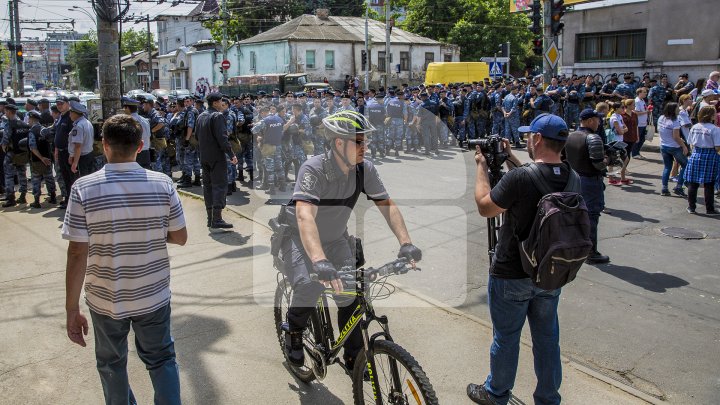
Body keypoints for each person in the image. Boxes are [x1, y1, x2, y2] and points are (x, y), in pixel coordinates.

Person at [280, 110, 421, 372]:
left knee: (350, 294)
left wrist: (406, 243)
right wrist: (319, 260)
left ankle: (354, 359)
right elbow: (304, 216)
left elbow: (386, 204)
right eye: (359, 141)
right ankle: (294, 332)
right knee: (308, 286)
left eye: (365, 141)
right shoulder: (314, 169)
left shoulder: (363, 169)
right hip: (300, 240)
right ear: (338, 143)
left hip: (335, 238)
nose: (365, 146)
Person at [62, 114, 187, 405]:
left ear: (103, 145)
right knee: (161, 360)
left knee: (111, 363)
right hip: (152, 295)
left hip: (105, 298)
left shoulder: (83, 188)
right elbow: (180, 237)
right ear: (141, 145)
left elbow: (77, 251)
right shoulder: (162, 183)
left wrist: (71, 308)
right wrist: (152, 232)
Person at [468, 113, 572, 405]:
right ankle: (548, 398)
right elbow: (534, 178)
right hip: (550, 273)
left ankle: (496, 393)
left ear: (537, 139)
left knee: (506, 338)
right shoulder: (570, 175)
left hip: (512, 272)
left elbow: (486, 208)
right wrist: (511, 156)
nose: (526, 139)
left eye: (529, 135)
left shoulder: (519, 178)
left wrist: (481, 168)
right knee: (548, 340)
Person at [565, 109, 610, 264]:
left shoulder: (571, 136)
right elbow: (598, 164)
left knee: (574, 215)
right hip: (590, 182)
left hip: (573, 179)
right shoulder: (593, 138)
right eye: (598, 120)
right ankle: (591, 252)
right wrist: (608, 160)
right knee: (591, 216)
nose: (599, 123)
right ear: (591, 120)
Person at [196, 92, 238, 228]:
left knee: (208, 187)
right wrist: (232, 154)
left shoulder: (201, 115)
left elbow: (197, 136)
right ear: (215, 103)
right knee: (219, 186)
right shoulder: (218, 116)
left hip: (204, 156)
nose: (222, 104)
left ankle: (210, 218)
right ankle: (217, 219)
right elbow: (223, 138)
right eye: (220, 101)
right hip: (216, 157)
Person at [684, 106, 720, 214]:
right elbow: (717, 147)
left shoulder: (695, 127)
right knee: (709, 184)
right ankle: (710, 209)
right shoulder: (715, 129)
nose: (715, 115)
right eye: (714, 113)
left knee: (693, 183)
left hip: (696, 154)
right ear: (710, 116)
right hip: (710, 155)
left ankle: (691, 207)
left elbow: (690, 142)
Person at [1, 103, 30, 207]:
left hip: (11, 154)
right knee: (22, 174)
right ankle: (23, 195)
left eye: (5, 111)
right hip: (22, 154)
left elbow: (5, 141)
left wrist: (5, 148)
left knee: (9, 175)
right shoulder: (24, 124)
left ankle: (11, 198)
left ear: (8, 112)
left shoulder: (9, 124)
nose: (5, 112)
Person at [26, 110, 57, 208]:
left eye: (29, 119)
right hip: (47, 158)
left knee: (36, 179)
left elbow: (32, 147)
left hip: (37, 160)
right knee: (49, 178)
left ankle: (36, 201)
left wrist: (41, 158)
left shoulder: (32, 132)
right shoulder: (44, 129)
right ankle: (53, 197)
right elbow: (51, 142)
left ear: (32, 119)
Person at [658, 102, 688, 196]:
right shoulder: (675, 121)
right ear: (672, 110)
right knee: (686, 165)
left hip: (663, 146)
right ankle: (679, 187)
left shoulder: (661, 118)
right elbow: (676, 137)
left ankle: (664, 188)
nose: (679, 109)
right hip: (674, 147)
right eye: (677, 108)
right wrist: (684, 146)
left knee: (667, 167)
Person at [67, 101, 96, 177]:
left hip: (82, 157)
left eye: (70, 112)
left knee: (82, 179)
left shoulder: (79, 126)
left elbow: (78, 146)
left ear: (75, 113)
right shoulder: (87, 122)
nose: (69, 115)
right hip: (89, 154)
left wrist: (75, 162)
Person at [618, 98, 639, 185]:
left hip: (633, 137)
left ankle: (623, 169)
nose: (635, 106)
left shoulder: (634, 114)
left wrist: (637, 136)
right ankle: (622, 171)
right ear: (629, 105)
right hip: (624, 137)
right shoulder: (622, 115)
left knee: (628, 154)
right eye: (633, 104)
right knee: (624, 154)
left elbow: (636, 126)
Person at [632, 87, 649, 159]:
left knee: (642, 139)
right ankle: (635, 153)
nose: (646, 93)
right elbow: (636, 112)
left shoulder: (642, 100)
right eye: (644, 92)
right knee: (637, 139)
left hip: (643, 123)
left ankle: (637, 152)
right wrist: (646, 112)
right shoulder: (637, 101)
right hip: (638, 124)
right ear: (639, 93)